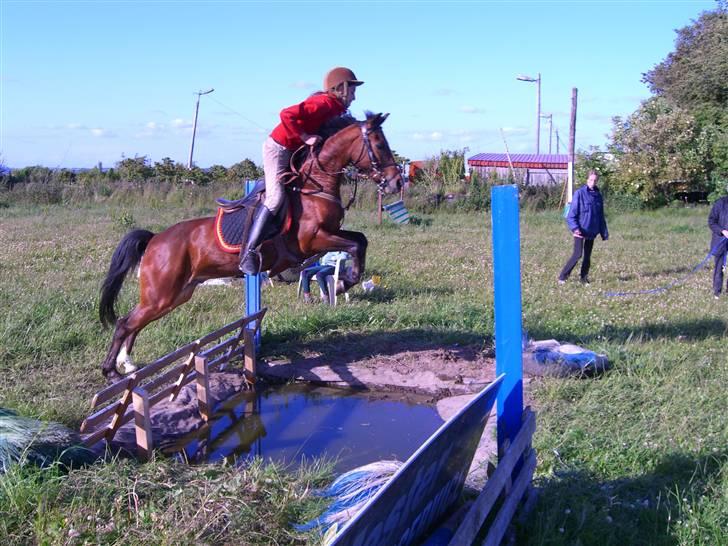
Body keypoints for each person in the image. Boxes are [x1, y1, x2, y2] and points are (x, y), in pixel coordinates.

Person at [239, 67, 364, 275]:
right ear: (340, 88)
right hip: (278, 148)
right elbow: (286, 114)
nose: (354, 97)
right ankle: (248, 252)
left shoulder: (336, 109)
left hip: (295, 150)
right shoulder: (323, 103)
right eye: (352, 91)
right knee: (275, 197)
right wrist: (305, 137)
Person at [558, 170, 609, 284]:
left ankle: (584, 278)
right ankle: (562, 277)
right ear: (587, 180)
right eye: (591, 180)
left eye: (595, 180)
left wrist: (604, 232)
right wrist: (575, 228)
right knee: (577, 254)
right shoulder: (579, 193)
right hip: (580, 230)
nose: (593, 182)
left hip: (592, 230)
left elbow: (600, 216)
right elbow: (571, 215)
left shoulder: (598, 196)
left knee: (587, 256)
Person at [708, 195, 728, 299]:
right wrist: (722, 231)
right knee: (719, 267)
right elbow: (711, 221)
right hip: (720, 241)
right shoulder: (720, 203)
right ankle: (717, 292)